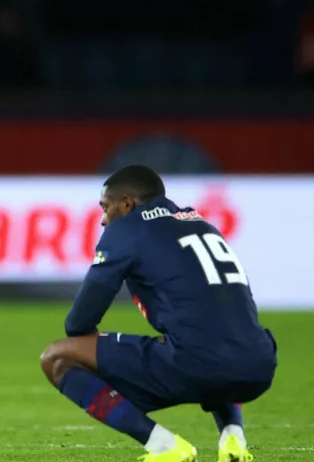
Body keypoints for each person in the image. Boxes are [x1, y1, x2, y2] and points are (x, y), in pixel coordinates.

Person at [39, 165, 277, 462]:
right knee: (217, 337)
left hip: (199, 364)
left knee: (57, 357)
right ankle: (233, 439)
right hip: (259, 363)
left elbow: (79, 321)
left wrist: (97, 353)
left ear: (126, 204)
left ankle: (165, 447)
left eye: (105, 207)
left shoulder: (126, 229)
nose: (102, 220)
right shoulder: (202, 223)